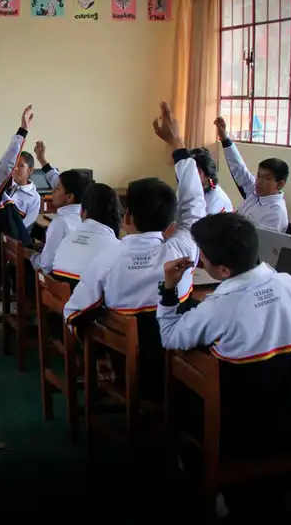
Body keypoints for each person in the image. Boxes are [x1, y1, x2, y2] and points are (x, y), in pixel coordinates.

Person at [158, 212, 291, 517]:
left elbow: (170, 336)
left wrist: (168, 288)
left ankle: (211, 482)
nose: (199, 261)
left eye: (202, 256)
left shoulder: (221, 306)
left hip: (240, 431)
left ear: (224, 269)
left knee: (183, 395)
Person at [64, 102, 204, 400]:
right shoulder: (181, 251)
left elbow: (74, 313)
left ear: (126, 218)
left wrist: (99, 354)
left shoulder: (107, 258)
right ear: (171, 222)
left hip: (129, 371)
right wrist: (175, 143)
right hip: (180, 374)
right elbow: (194, 204)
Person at [216, 117, 289, 232]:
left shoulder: (276, 213)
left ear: (280, 184)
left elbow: (257, 241)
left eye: (267, 179)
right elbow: (239, 168)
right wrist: (224, 138)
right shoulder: (255, 192)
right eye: (259, 176)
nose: (259, 181)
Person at [50, 182, 122, 285]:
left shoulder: (67, 240)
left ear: (82, 212)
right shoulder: (115, 248)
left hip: (57, 298)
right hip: (85, 299)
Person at [29, 170, 90, 273]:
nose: (52, 191)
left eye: (57, 188)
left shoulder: (60, 223)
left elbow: (46, 266)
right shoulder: (86, 218)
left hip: (58, 282)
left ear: (69, 197)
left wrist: (31, 256)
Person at [189, 147, 233, 215]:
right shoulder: (192, 188)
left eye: (198, 171)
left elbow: (201, 223)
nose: (192, 174)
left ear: (207, 175)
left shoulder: (216, 199)